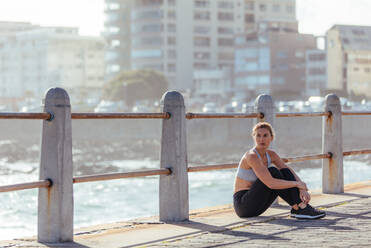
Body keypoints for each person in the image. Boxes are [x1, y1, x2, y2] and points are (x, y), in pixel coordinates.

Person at [233, 122, 325, 219]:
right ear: (254, 137)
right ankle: (300, 207)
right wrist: (297, 184)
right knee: (273, 171)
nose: (261, 139)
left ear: (271, 138)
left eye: (265, 135)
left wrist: (302, 187)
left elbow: (288, 170)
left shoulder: (271, 154)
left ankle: (299, 208)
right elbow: (271, 184)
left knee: (283, 171)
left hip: (259, 204)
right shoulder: (251, 156)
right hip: (243, 206)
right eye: (258, 136)